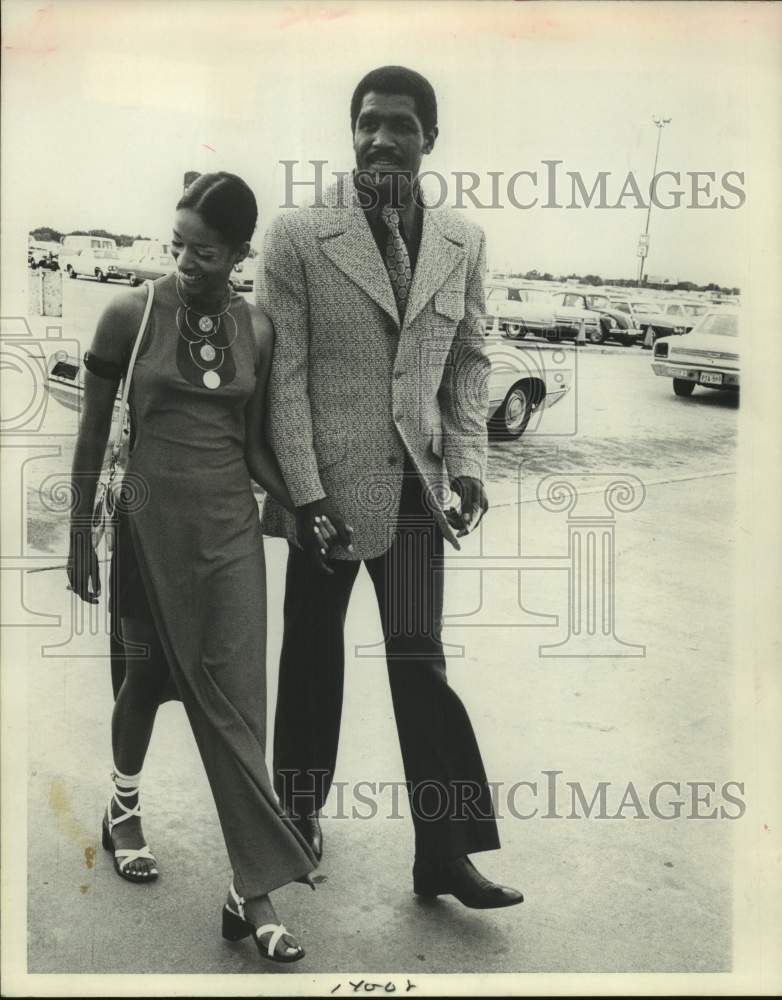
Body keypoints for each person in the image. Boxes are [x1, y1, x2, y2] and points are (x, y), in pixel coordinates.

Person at [261, 66, 524, 909]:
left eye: (401, 125)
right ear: (351, 131)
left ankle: (442, 857)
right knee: (311, 659)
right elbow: (285, 379)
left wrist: (472, 465)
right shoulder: (301, 234)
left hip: (416, 495)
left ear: (430, 138)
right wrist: (306, 496)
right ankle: (296, 821)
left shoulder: (462, 241)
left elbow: (470, 361)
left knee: (422, 667)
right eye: (368, 122)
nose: (381, 138)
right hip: (326, 499)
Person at [67, 172, 318, 963]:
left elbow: (253, 450)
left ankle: (251, 893)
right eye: (177, 244)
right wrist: (79, 536)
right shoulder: (129, 316)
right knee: (147, 682)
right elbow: (92, 435)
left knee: (242, 710)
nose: (186, 262)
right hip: (149, 532)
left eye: (204, 252)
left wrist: (307, 509)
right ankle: (122, 807)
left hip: (231, 537)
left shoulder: (260, 331)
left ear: (241, 253)